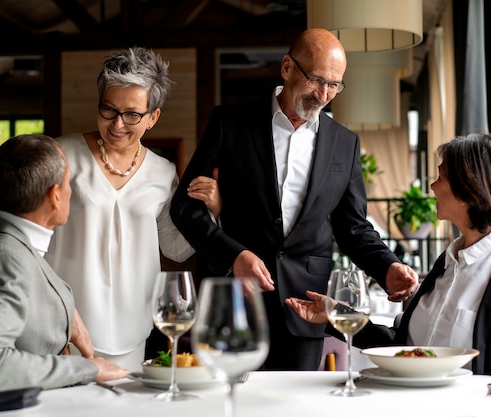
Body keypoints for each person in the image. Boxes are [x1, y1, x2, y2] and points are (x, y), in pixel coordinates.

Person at [170, 28, 419, 371]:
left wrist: (387, 266)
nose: (324, 94)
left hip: (305, 306)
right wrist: (234, 256)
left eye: (335, 85)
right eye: (316, 79)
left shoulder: (345, 144)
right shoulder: (230, 123)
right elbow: (184, 208)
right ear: (287, 67)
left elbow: (353, 227)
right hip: (236, 300)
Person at [286, 133, 491, 389]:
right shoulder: (446, 262)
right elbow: (407, 348)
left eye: (441, 176)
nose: (432, 186)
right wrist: (337, 315)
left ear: (470, 188)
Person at [44, 46, 220, 371]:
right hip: (66, 326)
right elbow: (34, 239)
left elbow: (176, 249)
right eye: (108, 110)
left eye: (132, 115)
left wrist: (211, 211)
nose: (117, 124)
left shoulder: (163, 171)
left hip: (133, 327)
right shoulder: (60, 154)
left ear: (153, 117)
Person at [0, 135, 128, 393]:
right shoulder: (6, 258)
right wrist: (90, 369)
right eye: (68, 183)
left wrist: (65, 309)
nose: (71, 190)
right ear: (55, 196)